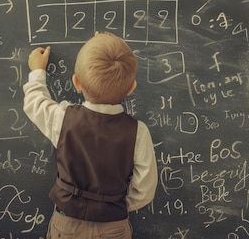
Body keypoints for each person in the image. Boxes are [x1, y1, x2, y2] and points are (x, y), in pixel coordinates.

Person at [23, 32, 158, 239]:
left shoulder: (63, 118)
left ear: (76, 82)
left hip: (66, 224)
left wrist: (38, 71)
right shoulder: (138, 132)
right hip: (113, 226)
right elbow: (145, 190)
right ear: (131, 88)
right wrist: (113, 204)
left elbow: (35, 103)